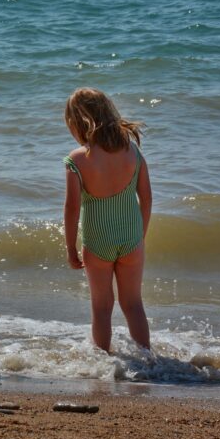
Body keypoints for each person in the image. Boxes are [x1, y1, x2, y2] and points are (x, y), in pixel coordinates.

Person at [62, 87, 152, 353]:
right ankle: (147, 360)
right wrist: (140, 236)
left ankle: (102, 361)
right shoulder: (132, 151)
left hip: (97, 243)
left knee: (101, 308)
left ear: (77, 123)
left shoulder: (77, 159)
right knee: (133, 304)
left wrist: (70, 247)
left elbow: (71, 208)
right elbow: (146, 198)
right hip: (131, 239)